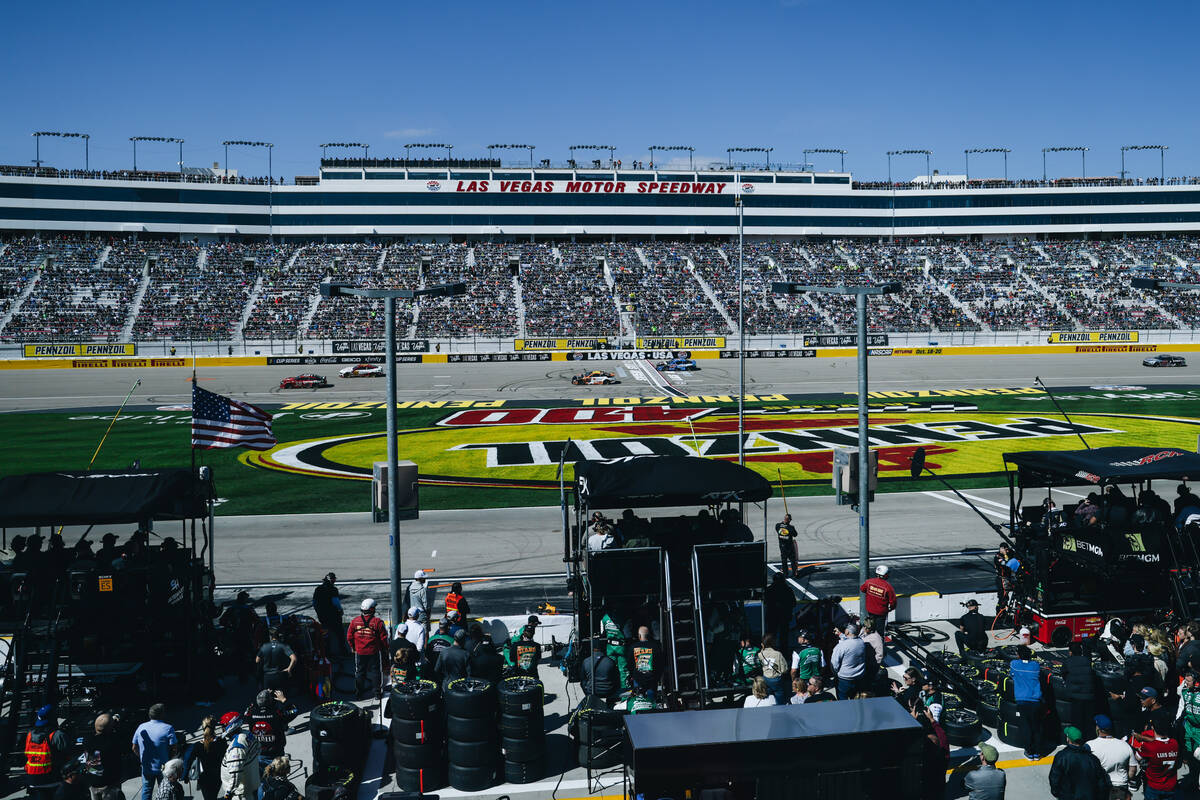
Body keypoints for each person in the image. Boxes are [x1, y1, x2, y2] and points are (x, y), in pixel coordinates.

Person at [1048, 726, 1110, 799]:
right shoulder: (1092, 759)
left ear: (1068, 739)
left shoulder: (1061, 757)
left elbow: (1054, 779)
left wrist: (1059, 794)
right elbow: (1101, 783)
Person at [131, 704, 177, 800]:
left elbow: (134, 747)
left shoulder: (141, 727)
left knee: (146, 790)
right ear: (162, 714)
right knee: (165, 791)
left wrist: (142, 759)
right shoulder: (168, 728)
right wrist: (171, 761)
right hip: (164, 767)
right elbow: (174, 748)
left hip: (147, 766)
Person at [346, 598, 388, 699]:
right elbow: (384, 639)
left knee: (360, 672)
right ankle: (377, 693)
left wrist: (353, 647)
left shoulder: (354, 622)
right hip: (374, 652)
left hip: (360, 652)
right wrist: (385, 650)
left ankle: (359, 694)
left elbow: (349, 637)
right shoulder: (378, 622)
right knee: (376, 672)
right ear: (372, 609)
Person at [1009, 645, 1045, 760]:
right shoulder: (1035, 665)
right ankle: (1037, 752)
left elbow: (1011, 674)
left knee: (1026, 727)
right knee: (1036, 727)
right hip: (1036, 701)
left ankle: (1029, 752)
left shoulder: (1014, 664)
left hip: (1022, 701)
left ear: (1018, 655)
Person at [1131, 716, 1180, 799]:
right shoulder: (1175, 743)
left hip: (1154, 786)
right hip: (1170, 786)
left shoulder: (1149, 746)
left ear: (1153, 728)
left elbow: (1137, 757)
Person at [26, 705, 68, 800]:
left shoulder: (29, 734)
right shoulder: (57, 735)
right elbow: (67, 753)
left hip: (32, 779)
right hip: (52, 780)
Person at [1086, 715, 1132, 800]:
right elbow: (1132, 770)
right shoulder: (1125, 745)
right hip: (1121, 787)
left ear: (1098, 728)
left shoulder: (1089, 745)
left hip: (1100, 787)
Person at [243, 690, 297, 761]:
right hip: (276, 754)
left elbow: (248, 710)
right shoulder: (277, 714)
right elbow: (294, 710)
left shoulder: (250, 714)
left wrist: (261, 696)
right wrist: (284, 700)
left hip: (257, 754)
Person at [81, 712, 125, 800]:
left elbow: (100, 729)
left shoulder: (87, 740)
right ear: (110, 728)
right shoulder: (112, 742)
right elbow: (121, 738)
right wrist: (115, 724)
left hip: (93, 782)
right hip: (109, 784)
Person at [217, 713, 260, 800]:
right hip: (252, 783)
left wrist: (228, 794)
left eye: (224, 726)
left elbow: (236, 775)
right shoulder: (247, 734)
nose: (222, 729)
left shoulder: (236, 747)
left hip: (240, 794)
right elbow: (258, 749)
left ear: (231, 725)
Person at [186, 715, 226, 800]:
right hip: (217, 776)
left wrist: (185, 776)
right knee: (213, 796)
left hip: (204, 778)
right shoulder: (222, 742)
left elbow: (189, 760)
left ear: (203, 727)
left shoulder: (198, 745)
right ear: (215, 727)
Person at [1061, 640, 1098, 729]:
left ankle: (1077, 741)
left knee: (1077, 722)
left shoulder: (1068, 661)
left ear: (1070, 652)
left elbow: (1063, 674)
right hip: (1089, 695)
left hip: (1076, 696)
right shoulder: (1087, 660)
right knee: (1089, 721)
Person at [830, 623, 868, 700]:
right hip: (859, 677)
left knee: (842, 699)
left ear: (847, 632)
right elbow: (851, 639)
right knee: (855, 698)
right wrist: (840, 634)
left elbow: (834, 664)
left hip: (844, 679)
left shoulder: (841, 646)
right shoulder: (861, 642)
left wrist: (836, 673)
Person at [1176, 671, 1200, 792]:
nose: (1186, 683)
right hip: (1189, 728)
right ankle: (1193, 779)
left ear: (1196, 682)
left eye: (1188, 681)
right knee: (1190, 756)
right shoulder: (1184, 692)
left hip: (1199, 730)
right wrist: (1177, 721)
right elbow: (1181, 708)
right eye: (1185, 681)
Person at [311, 573, 344, 659]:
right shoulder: (333, 589)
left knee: (325, 635)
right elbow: (336, 602)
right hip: (333, 616)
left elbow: (314, 603)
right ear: (332, 580)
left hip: (323, 616)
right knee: (340, 633)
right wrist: (340, 610)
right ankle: (343, 651)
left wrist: (319, 613)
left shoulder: (318, 589)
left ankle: (327, 653)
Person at [860, 565, 897, 639]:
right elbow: (893, 602)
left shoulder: (869, 582)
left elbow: (862, 589)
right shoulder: (888, 587)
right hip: (881, 613)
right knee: (880, 632)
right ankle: (879, 646)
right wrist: (890, 608)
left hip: (870, 610)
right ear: (885, 575)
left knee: (870, 628)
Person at [627, 626, 663, 699]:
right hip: (652, 680)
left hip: (637, 679)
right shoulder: (656, 647)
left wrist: (631, 675)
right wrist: (657, 677)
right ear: (649, 635)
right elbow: (660, 664)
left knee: (638, 700)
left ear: (639, 636)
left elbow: (629, 664)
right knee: (651, 701)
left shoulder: (633, 647)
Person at [256, 627, 297, 692]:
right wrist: (289, 668)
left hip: (267, 676)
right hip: (280, 675)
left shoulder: (264, 646)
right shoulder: (283, 646)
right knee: (281, 697)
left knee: (268, 698)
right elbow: (294, 659)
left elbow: (257, 660)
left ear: (270, 636)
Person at [582, 638, 621, 703]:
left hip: (592, 691)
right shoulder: (610, 661)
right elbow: (617, 679)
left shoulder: (586, 661)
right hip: (609, 691)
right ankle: (610, 703)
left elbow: (583, 680)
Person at [764, 573, 795, 651]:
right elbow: (793, 603)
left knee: (771, 635)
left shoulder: (769, 589)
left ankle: (770, 650)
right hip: (784, 616)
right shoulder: (788, 589)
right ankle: (784, 651)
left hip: (772, 616)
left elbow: (765, 601)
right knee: (783, 636)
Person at [759, 634, 789, 706]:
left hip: (766, 678)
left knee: (768, 698)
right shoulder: (778, 654)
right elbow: (784, 669)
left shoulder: (760, 654)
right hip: (776, 679)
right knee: (780, 700)